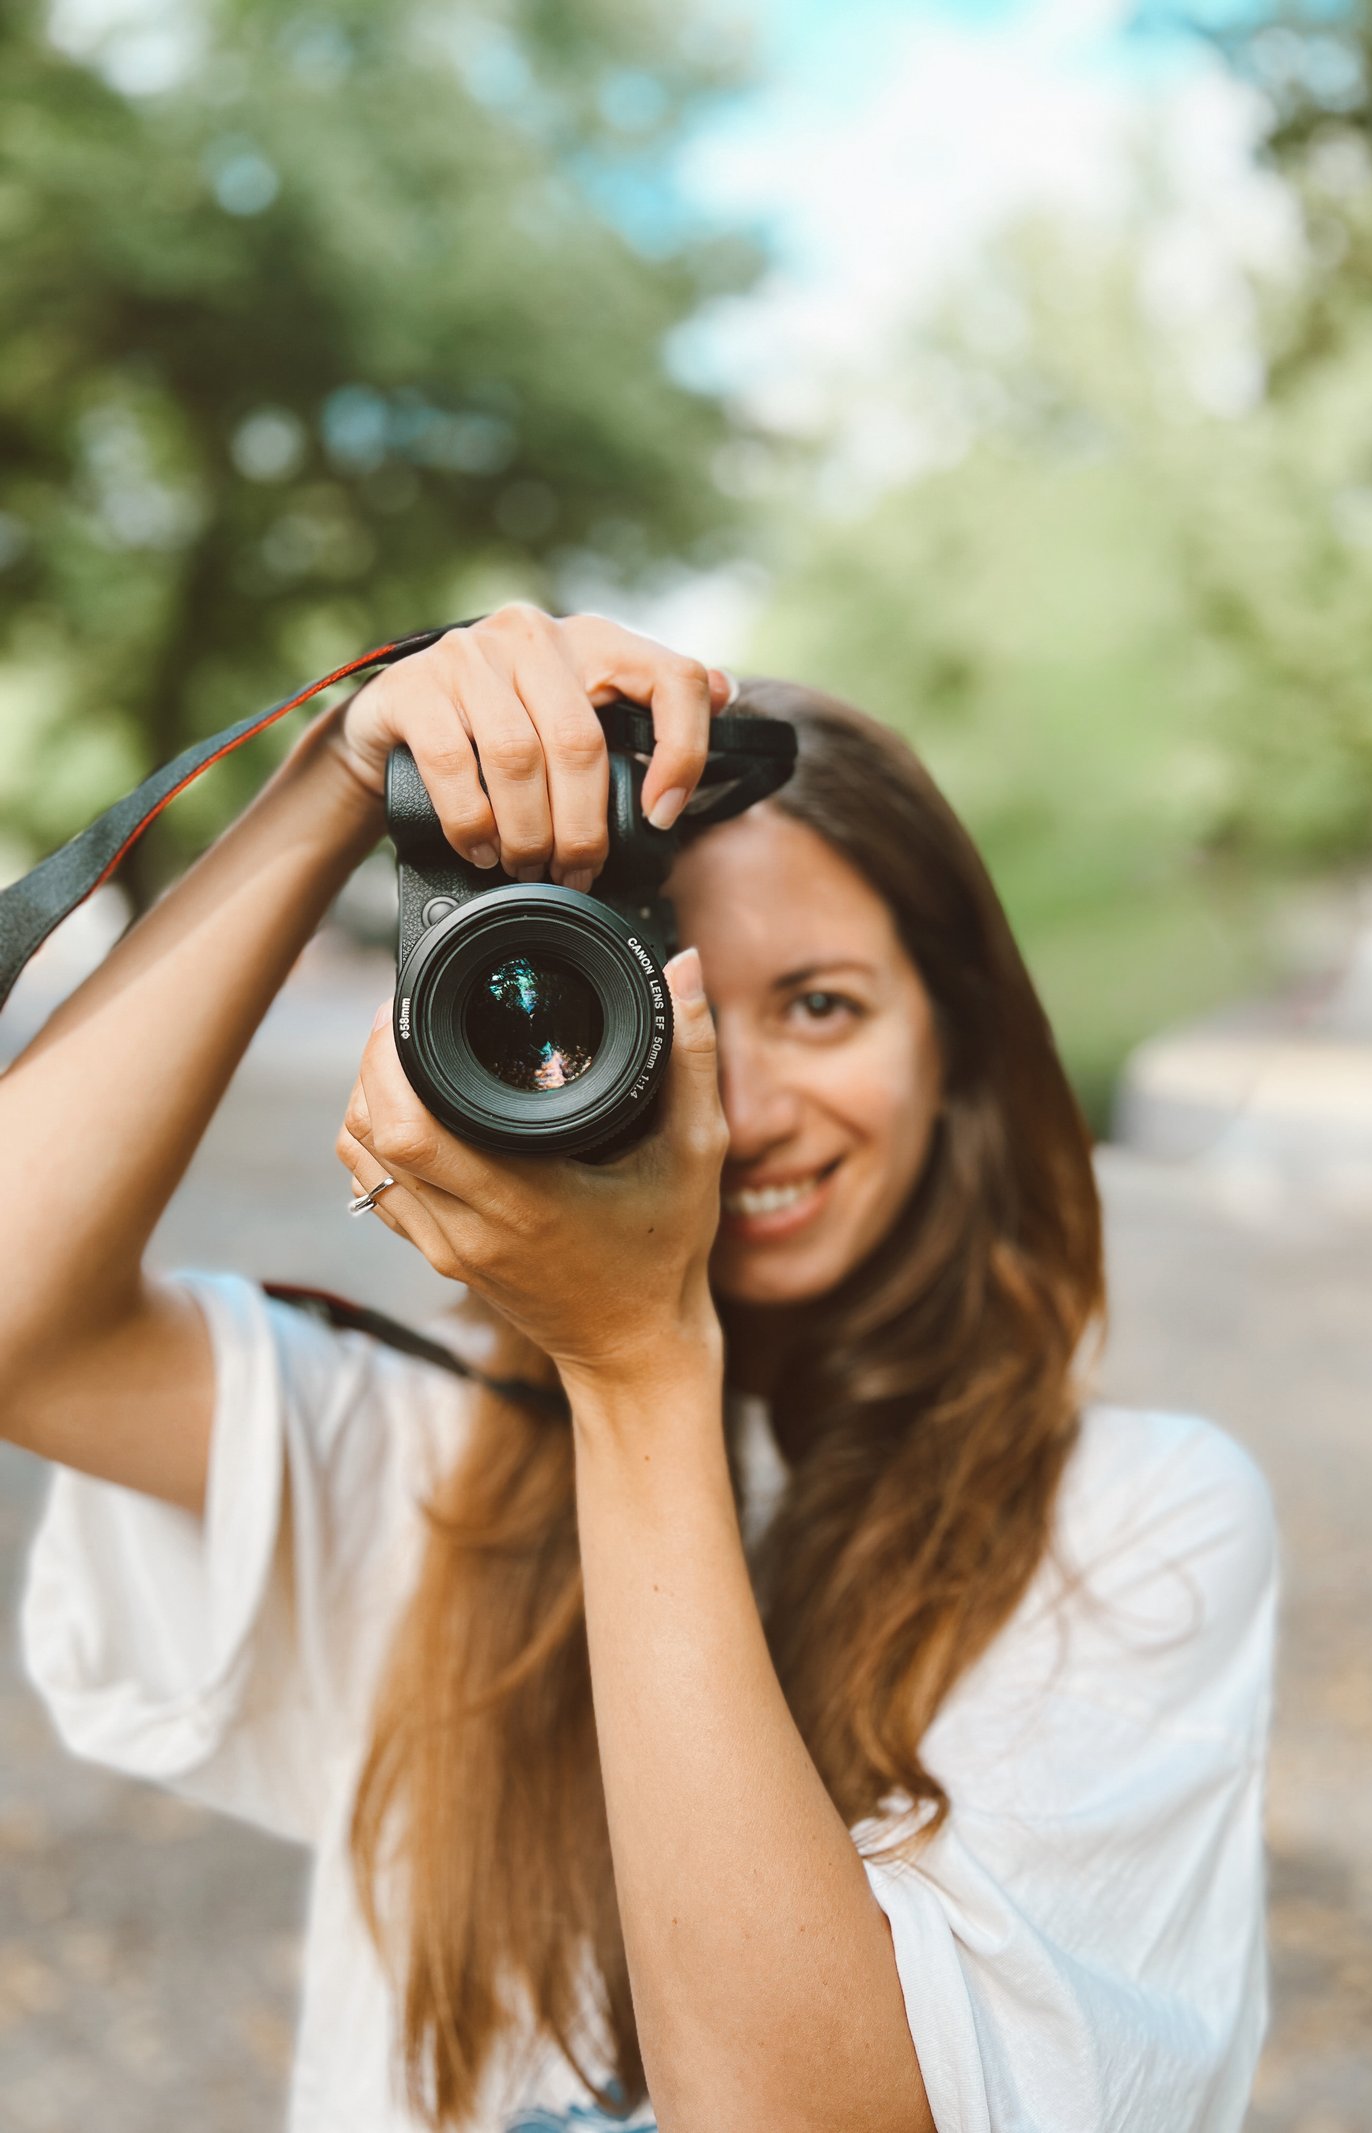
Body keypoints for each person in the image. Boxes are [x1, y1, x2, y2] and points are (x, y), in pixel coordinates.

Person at [1, 604, 1279, 2133]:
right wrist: (344, 777)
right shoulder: (430, 1464)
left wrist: (637, 1362)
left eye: (820, 1004)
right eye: (658, 990)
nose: (733, 1101)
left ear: (959, 1043)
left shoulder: (1132, 1530)